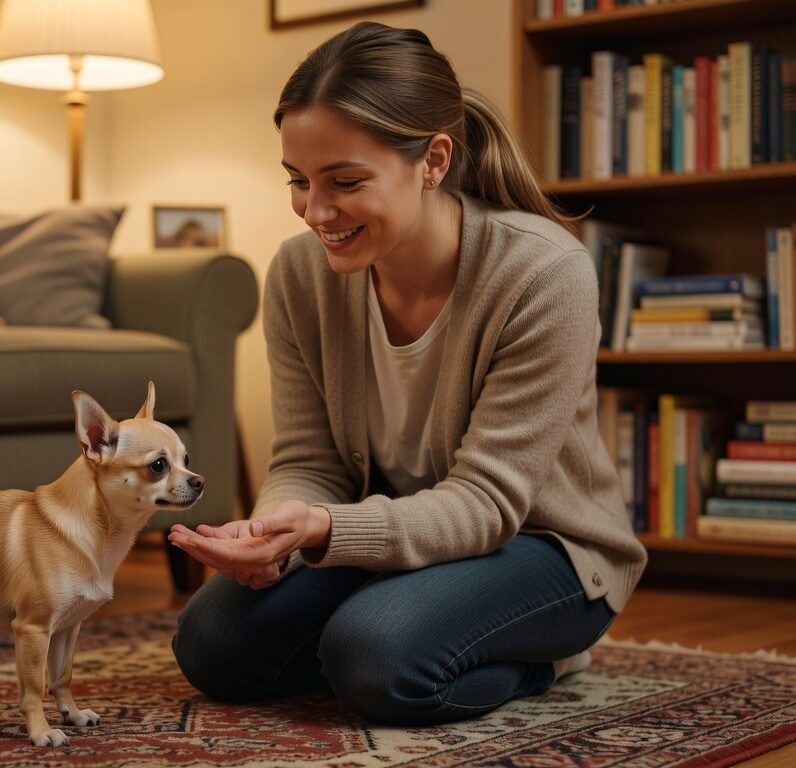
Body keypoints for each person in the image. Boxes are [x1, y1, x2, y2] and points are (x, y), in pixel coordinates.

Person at [167, 21, 647, 726]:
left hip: (541, 547)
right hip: (391, 533)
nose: (315, 212)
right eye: (298, 181)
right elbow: (308, 459)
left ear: (434, 160)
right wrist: (274, 533)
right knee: (212, 645)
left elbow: (487, 503)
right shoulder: (300, 276)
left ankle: (543, 658)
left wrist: (325, 530)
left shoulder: (545, 273)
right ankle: (399, 626)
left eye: (345, 182)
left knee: (375, 658)